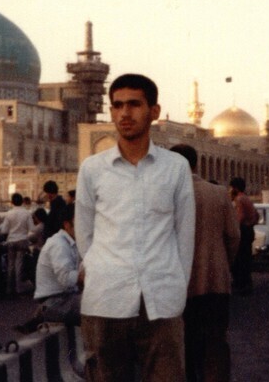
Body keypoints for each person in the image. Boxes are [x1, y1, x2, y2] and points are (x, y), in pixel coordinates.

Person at [76, 73, 195, 381]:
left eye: (134, 104)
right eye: (117, 106)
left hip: (161, 300)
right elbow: (84, 233)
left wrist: (175, 288)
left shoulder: (175, 167)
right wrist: (99, 271)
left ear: (154, 111)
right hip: (106, 300)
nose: (124, 114)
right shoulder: (93, 169)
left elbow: (184, 234)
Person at [171, 144, 240, 382]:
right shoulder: (218, 193)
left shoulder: (168, 195)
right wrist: (222, 263)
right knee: (215, 345)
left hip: (179, 286)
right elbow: (234, 236)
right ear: (196, 163)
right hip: (215, 283)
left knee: (183, 345)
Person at [34, 203, 82, 326]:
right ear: (67, 224)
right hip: (54, 303)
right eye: (81, 222)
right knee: (98, 306)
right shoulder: (58, 244)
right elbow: (66, 279)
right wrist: (87, 275)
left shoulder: (73, 243)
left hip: (65, 299)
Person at [0, 193, 35, 295]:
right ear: (22, 201)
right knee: (19, 264)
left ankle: (9, 288)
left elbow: (4, 230)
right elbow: (32, 228)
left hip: (11, 241)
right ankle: (19, 288)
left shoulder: (9, 214)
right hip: (22, 240)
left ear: (12, 202)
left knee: (10, 265)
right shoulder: (27, 213)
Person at [229, 177, 258, 296]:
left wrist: (232, 228)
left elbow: (239, 218)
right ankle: (247, 283)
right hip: (249, 230)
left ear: (235, 188)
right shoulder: (247, 198)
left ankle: (241, 285)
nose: (230, 190)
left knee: (240, 259)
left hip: (243, 231)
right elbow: (256, 215)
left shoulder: (239, 199)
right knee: (246, 258)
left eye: (231, 187)